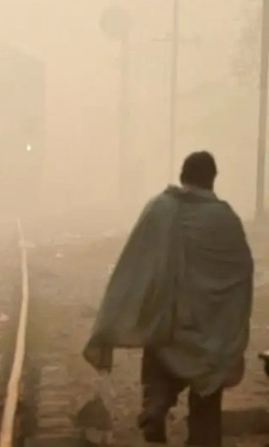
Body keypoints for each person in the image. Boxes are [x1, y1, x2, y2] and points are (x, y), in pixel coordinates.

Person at [83, 151, 253, 446]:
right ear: (213, 180)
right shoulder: (226, 219)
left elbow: (134, 266)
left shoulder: (160, 209)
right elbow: (242, 274)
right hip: (213, 334)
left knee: (159, 368)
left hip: (170, 323)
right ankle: (203, 439)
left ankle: (155, 406)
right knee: (206, 400)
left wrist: (120, 316)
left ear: (181, 176)